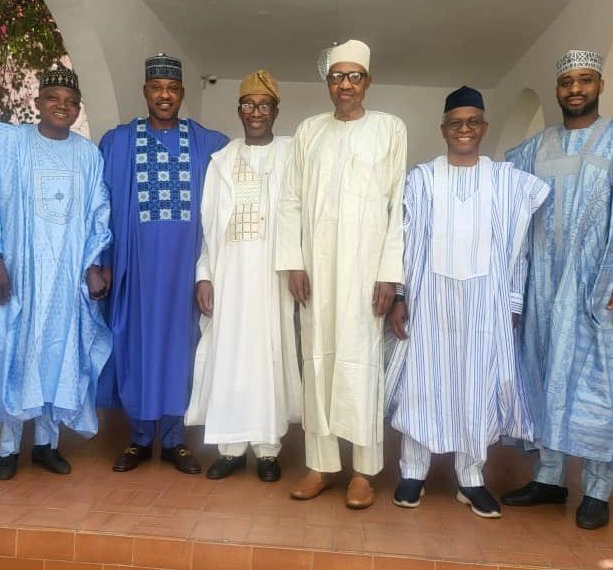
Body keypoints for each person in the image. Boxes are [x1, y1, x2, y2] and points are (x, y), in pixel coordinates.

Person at [501, 50, 613, 530]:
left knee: (598, 386)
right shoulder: (532, 149)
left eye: (584, 81)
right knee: (544, 375)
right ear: (558, 90)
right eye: (567, 81)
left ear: (599, 85)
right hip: (544, 287)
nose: (575, 89)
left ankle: (597, 489)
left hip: (605, 286)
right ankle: (549, 478)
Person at [0, 65, 112, 480]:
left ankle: (46, 445)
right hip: (18, 275)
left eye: (71, 103)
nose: (62, 106)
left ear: (78, 111)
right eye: (53, 98)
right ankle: (6, 448)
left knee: (58, 354)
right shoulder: (11, 146)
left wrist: (93, 266)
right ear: (38, 103)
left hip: (65, 278)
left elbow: (97, 213)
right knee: (15, 354)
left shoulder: (88, 154)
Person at [385, 86, 549, 518]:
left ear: (484, 127)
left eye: (472, 122)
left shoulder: (506, 181)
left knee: (476, 389)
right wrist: (400, 297)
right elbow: (401, 242)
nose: (464, 130)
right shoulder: (420, 179)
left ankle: (471, 478)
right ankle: (412, 472)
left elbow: (519, 246)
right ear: (443, 129)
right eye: (455, 123)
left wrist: (513, 301)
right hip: (429, 301)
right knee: (423, 384)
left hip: (484, 305)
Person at [277, 39, 406, 509]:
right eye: (337, 77)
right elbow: (290, 200)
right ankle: (321, 465)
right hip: (316, 270)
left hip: (364, 271)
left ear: (367, 82)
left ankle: (364, 472)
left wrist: (389, 274)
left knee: (361, 365)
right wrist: (293, 261)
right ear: (327, 83)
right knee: (318, 363)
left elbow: (398, 206)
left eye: (354, 76)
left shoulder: (390, 129)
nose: (345, 85)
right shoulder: (308, 131)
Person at [99, 53, 228, 474]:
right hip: (135, 268)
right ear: (145, 93)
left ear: (182, 95)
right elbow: (100, 208)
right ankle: (138, 438)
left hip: (185, 271)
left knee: (181, 350)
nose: (164, 95)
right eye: (157, 88)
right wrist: (102, 262)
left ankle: (175, 440)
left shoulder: (210, 143)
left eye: (172, 89)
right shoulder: (118, 142)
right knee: (136, 347)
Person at [185, 70, 301, 482]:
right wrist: (205, 276)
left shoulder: (292, 154)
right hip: (230, 277)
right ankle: (231, 449)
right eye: (249, 105)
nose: (256, 113)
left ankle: (268, 450)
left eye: (264, 105)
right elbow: (207, 226)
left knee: (268, 358)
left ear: (275, 111)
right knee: (230, 359)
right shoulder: (222, 161)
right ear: (239, 111)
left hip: (273, 278)